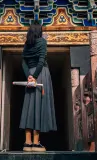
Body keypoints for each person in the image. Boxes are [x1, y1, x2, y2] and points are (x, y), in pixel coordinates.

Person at [19, 22, 57, 152]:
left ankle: (27, 142)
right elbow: (41, 60)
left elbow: (23, 62)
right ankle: (35, 143)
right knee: (39, 106)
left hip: (30, 73)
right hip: (41, 74)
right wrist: (35, 76)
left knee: (29, 106)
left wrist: (29, 75)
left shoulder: (27, 44)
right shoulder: (42, 42)